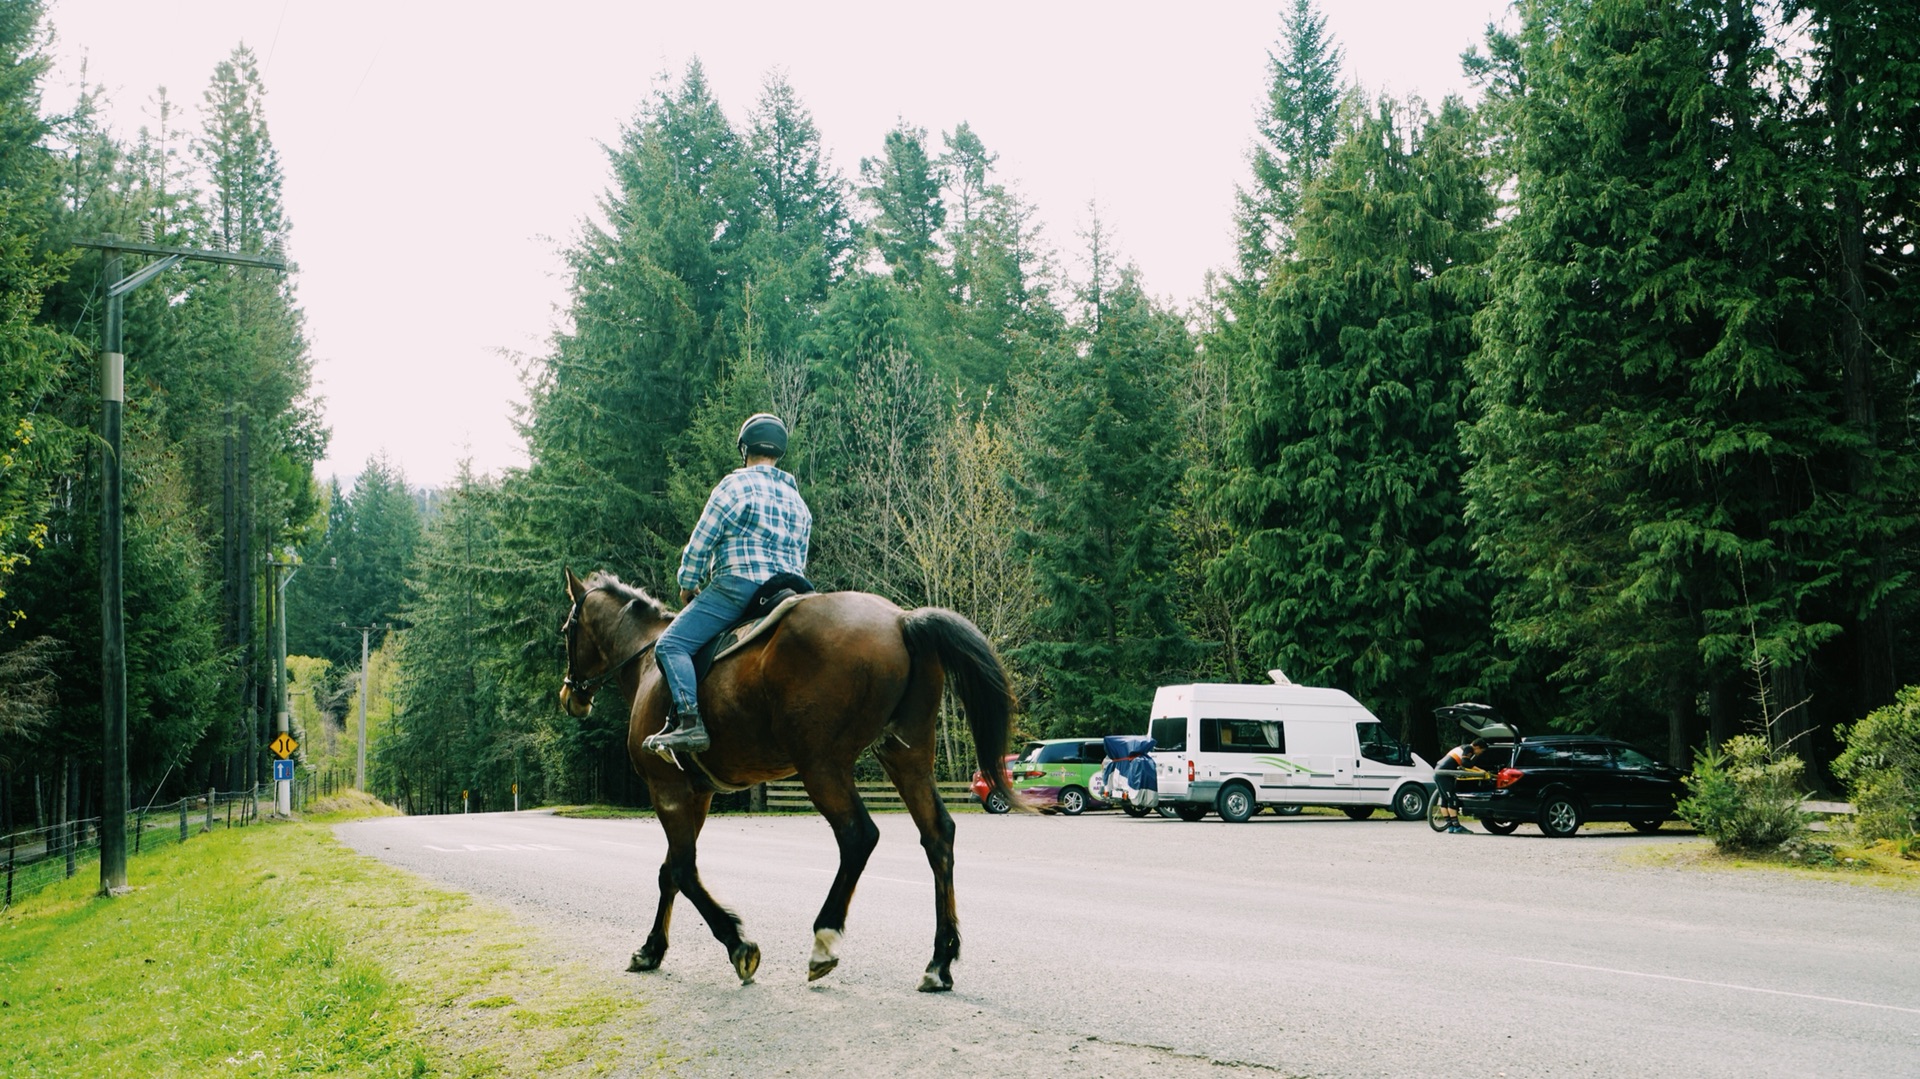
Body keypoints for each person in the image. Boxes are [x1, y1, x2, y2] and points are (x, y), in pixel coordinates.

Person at [642, 413, 812, 754]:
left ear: (744, 449)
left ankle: (690, 723)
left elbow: (701, 543)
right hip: (790, 592)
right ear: (779, 452)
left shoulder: (735, 486)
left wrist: (688, 583)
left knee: (670, 646)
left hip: (739, 587)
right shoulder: (799, 502)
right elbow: (801, 558)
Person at [1434, 738, 1488, 834]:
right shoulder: (1469, 748)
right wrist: (1477, 764)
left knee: (1444, 800)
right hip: (1445, 774)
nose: (1480, 753)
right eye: (1481, 751)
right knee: (1452, 799)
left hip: (1438, 772)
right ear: (1477, 747)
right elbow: (1465, 763)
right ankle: (1457, 826)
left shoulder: (1462, 747)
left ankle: (1450, 825)